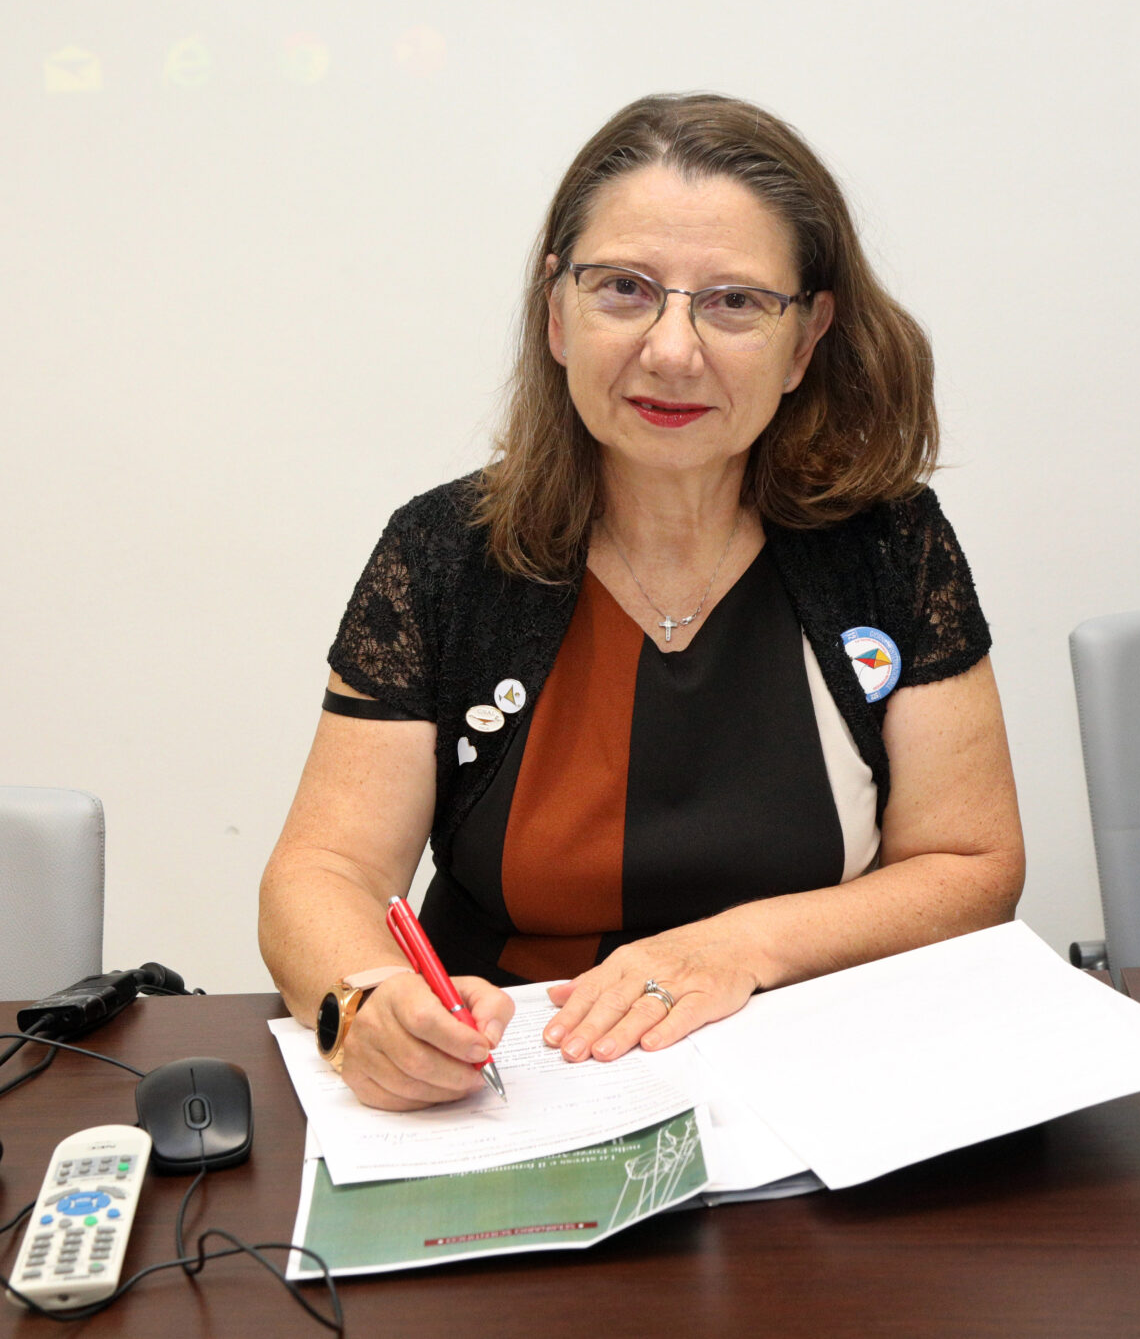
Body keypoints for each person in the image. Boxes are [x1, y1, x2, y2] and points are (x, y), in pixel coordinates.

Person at [259, 93, 1025, 1112]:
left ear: (806, 341)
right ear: (555, 314)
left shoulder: (886, 545)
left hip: (817, 1089)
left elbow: (971, 861)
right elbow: (324, 869)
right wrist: (365, 1006)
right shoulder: (445, 553)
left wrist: (740, 946)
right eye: (624, 289)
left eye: (734, 302)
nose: (671, 351)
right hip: (509, 1095)